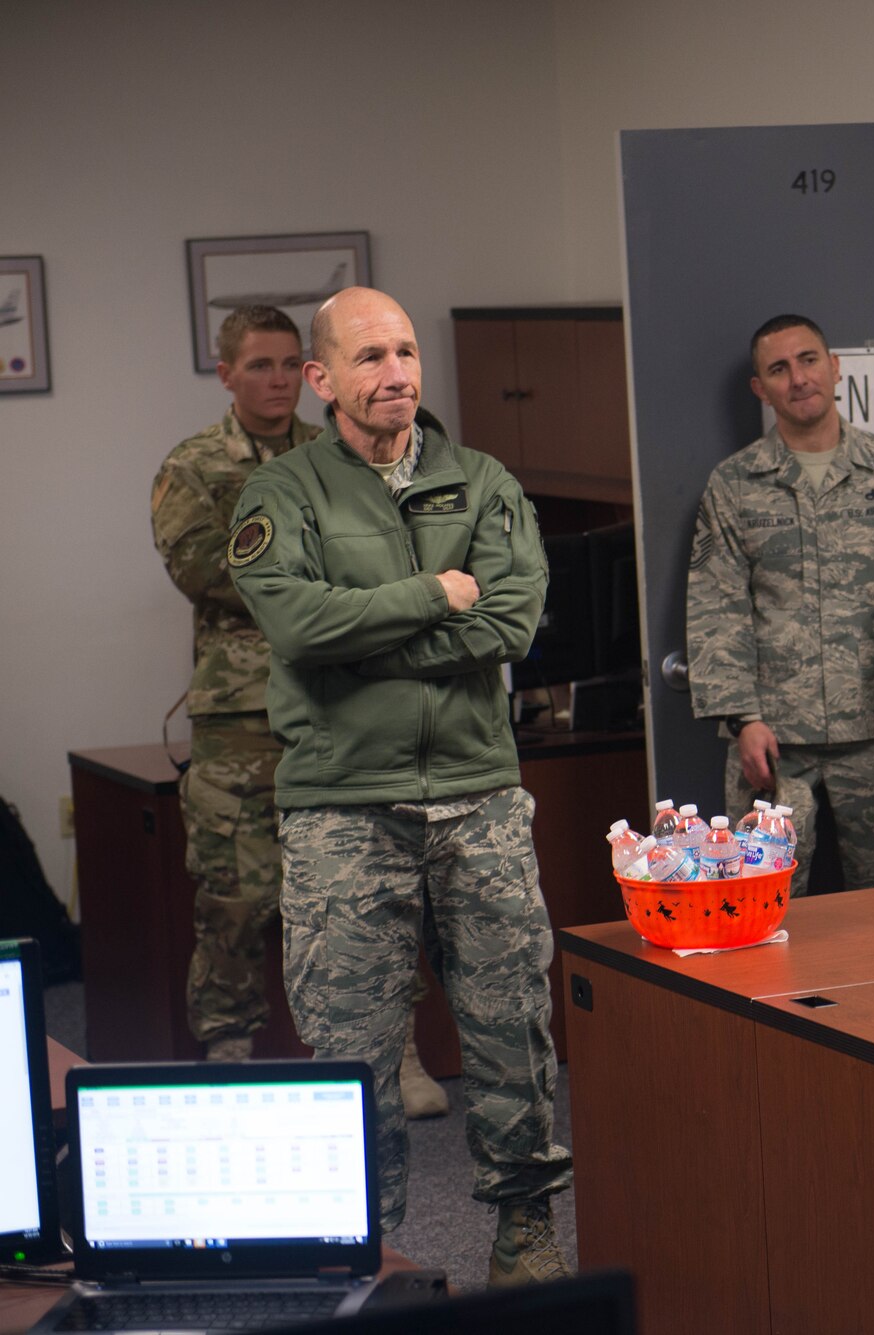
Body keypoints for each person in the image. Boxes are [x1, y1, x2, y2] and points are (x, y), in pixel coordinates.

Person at [227, 288, 572, 1286]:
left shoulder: (483, 482)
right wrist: (430, 595)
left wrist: (364, 640)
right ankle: (363, 1258)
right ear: (321, 379)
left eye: (407, 351)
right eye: (370, 356)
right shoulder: (282, 495)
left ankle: (523, 1237)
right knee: (349, 1055)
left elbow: (508, 627)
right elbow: (296, 628)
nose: (397, 372)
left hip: (479, 797)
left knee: (512, 1031)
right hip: (342, 807)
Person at [150, 306, 448, 1121]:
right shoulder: (196, 466)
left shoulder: (346, 453)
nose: (277, 381)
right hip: (243, 716)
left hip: (345, 699)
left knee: (374, 886)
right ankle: (231, 1061)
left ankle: (402, 1056)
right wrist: (337, 579)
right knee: (236, 899)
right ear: (228, 374)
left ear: (313, 372)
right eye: (259, 366)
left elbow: (401, 548)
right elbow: (215, 574)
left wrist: (332, 583)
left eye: (289, 364)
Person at [687, 314, 874, 893]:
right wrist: (743, 719)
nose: (798, 378)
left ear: (835, 369)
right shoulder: (735, 483)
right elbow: (717, 608)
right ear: (760, 388)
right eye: (778, 369)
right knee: (758, 900)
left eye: (809, 361)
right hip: (774, 743)